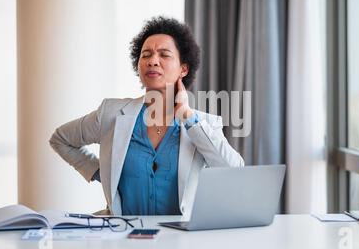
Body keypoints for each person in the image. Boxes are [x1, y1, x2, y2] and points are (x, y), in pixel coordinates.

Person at [49, 16, 244, 216]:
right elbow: (61, 139)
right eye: (146, 55)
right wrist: (102, 172)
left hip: (181, 241)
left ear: (183, 69)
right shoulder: (111, 113)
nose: (152, 61)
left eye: (164, 55)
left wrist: (187, 116)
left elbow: (234, 172)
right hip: (124, 238)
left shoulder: (204, 123)